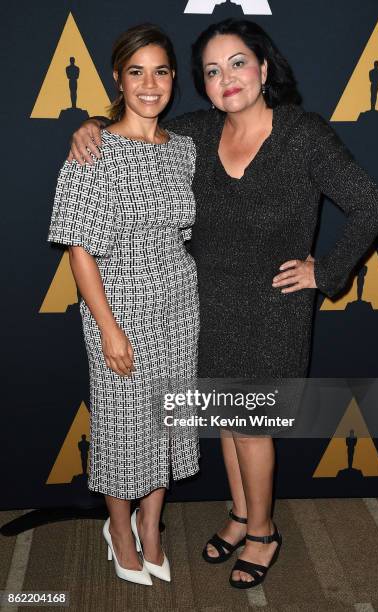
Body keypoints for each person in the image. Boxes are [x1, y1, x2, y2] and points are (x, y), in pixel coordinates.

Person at [67, 18, 378, 589]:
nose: (227, 78)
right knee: (225, 419)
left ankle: (264, 532)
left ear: (264, 69)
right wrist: (90, 124)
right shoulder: (196, 132)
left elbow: (371, 204)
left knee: (253, 426)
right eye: (212, 71)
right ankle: (240, 517)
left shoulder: (303, 135)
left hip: (273, 308)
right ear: (205, 86)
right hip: (204, 304)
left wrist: (326, 271)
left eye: (238, 63)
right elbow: (136, 123)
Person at [48, 24, 200, 586]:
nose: (150, 84)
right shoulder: (94, 149)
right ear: (118, 78)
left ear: (173, 80)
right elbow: (78, 249)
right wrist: (109, 328)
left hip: (179, 303)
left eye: (161, 71)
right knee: (120, 427)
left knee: (165, 423)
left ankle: (152, 527)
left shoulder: (184, 149)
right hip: (118, 306)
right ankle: (118, 530)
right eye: (136, 72)